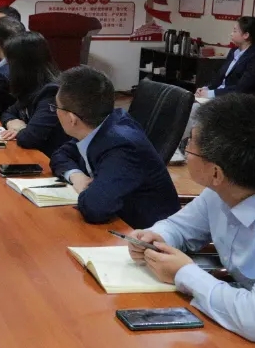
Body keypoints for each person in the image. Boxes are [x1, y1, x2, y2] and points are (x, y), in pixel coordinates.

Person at [128, 94, 255, 344]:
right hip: (238, 317)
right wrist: (156, 238)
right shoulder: (227, 188)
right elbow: (178, 227)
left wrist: (184, 273)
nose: (185, 152)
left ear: (216, 173)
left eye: (189, 146)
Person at [50, 66, 180, 228]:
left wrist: (86, 191)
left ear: (72, 118)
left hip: (146, 235)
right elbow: (60, 155)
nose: (55, 112)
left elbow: (95, 208)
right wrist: (76, 176)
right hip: (119, 222)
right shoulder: (99, 124)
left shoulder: (122, 146)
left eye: (56, 107)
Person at [0, 32, 70, 156]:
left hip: (52, 159)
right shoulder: (30, 87)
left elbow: (30, 138)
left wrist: (22, 129)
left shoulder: (52, 92)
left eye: (9, 62)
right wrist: (12, 122)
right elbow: (8, 113)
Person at [196, 16, 255, 98]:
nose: (231, 34)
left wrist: (210, 94)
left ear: (246, 35)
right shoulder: (233, 51)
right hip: (220, 96)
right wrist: (206, 89)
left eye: (235, 31)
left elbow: (241, 89)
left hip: (236, 101)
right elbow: (220, 78)